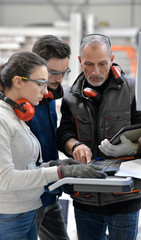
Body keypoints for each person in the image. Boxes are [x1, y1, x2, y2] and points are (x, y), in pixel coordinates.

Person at [0, 51, 106, 240]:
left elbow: (26, 165)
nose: (45, 89)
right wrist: (59, 172)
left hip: (27, 211)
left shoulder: (17, 115)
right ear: (18, 82)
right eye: (40, 82)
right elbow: (5, 179)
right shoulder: (2, 118)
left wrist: (57, 166)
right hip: (10, 217)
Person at [56, 33, 141, 240]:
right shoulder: (70, 95)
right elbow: (64, 133)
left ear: (112, 59)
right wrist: (74, 145)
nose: (96, 71)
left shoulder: (134, 90)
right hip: (85, 196)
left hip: (125, 196)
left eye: (102, 64)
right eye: (89, 64)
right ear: (79, 61)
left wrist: (134, 148)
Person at [27, 35, 71, 240]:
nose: (59, 80)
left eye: (64, 72)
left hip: (50, 193)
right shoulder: (21, 101)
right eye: (54, 72)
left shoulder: (49, 95)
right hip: (28, 198)